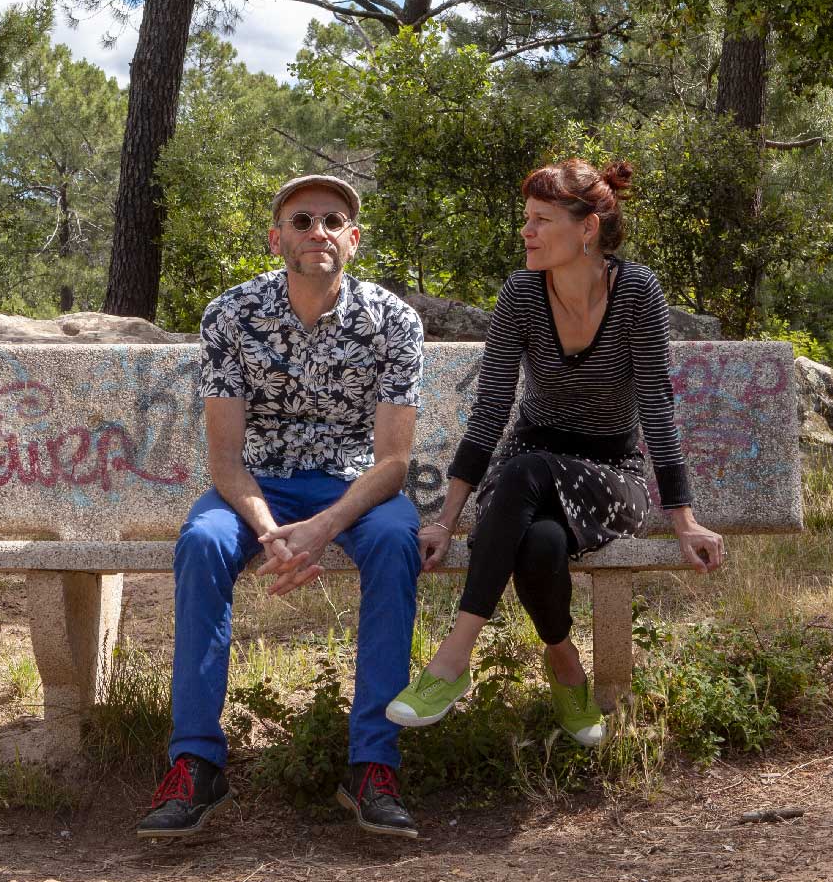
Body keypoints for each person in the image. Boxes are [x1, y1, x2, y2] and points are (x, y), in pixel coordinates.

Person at [385, 158, 724, 747]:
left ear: (587, 228)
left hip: (610, 475)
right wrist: (445, 521)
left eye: (541, 220)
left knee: (527, 469)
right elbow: (491, 410)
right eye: (527, 219)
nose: (527, 232)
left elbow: (657, 410)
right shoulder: (521, 293)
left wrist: (684, 519)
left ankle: (452, 659)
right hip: (524, 475)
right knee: (539, 542)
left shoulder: (638, 293)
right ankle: (567, 668)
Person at [137, 175, 427, 841]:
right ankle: (196, 764)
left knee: (393, 542)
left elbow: (391, 463)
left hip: (353, 487)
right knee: (203, 541)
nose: (316, 231)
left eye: (332, 221)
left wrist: (324, 528)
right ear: (278, 239)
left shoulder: (394, 322)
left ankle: (372, 766)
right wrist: (271, 533)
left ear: (353, 241)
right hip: (256, 487)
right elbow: (225, 461)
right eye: (302, 221)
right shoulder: (230, 315)